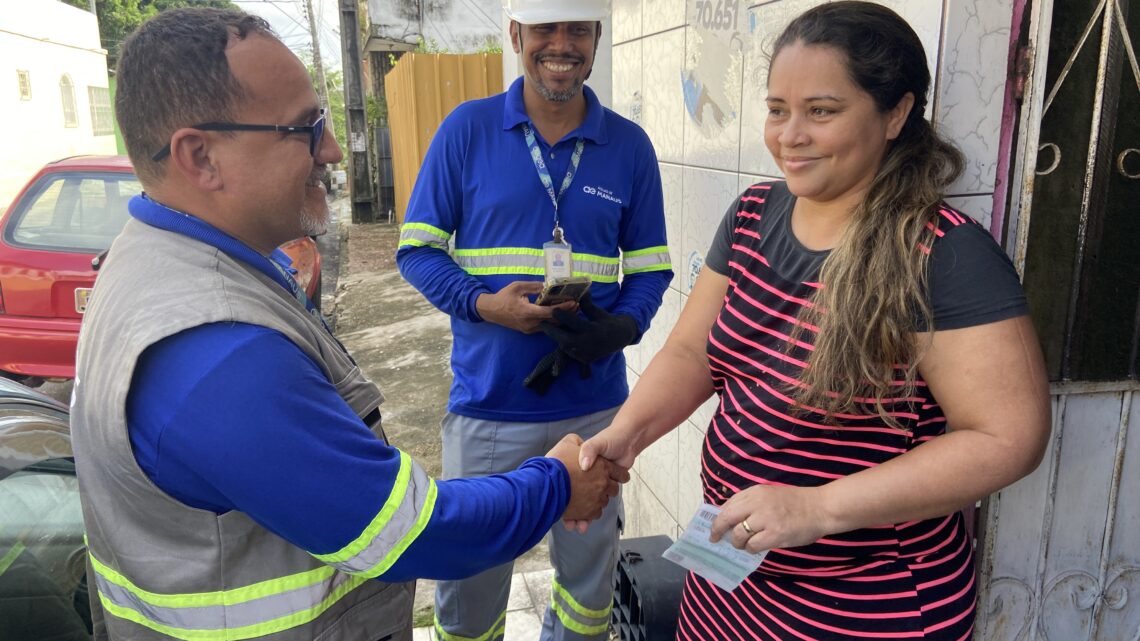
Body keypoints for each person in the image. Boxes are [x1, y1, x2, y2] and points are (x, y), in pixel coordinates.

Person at [69, 8, 622, 641]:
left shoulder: (157, 260)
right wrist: (556, 487)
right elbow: (407, 530)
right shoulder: (214, 353)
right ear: (200, 156)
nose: (333, 149)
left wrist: (622, 328)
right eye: (305, 128)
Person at [577, 2, 1052, 639]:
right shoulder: (752, 215)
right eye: (778, 109)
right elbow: (695, 354)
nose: (788, 135)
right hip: (730, 571)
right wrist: (627, 434)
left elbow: (1007, 438)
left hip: (865, 604)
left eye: (820, 111)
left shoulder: (944, 254)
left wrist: (817, 507)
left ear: (897, 114)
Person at [395, 0, 672, 638]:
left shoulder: (628, 146)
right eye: (545, 28)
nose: (561, 44)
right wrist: (484, 304)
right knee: (470, 588)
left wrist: (623, 327)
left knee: (587, 585)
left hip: (595, 411)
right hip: (489, 407)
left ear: (597, 37)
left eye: (578, 29)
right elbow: (417, 251)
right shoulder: (467, 129)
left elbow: (652, 268)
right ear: (517, 34)